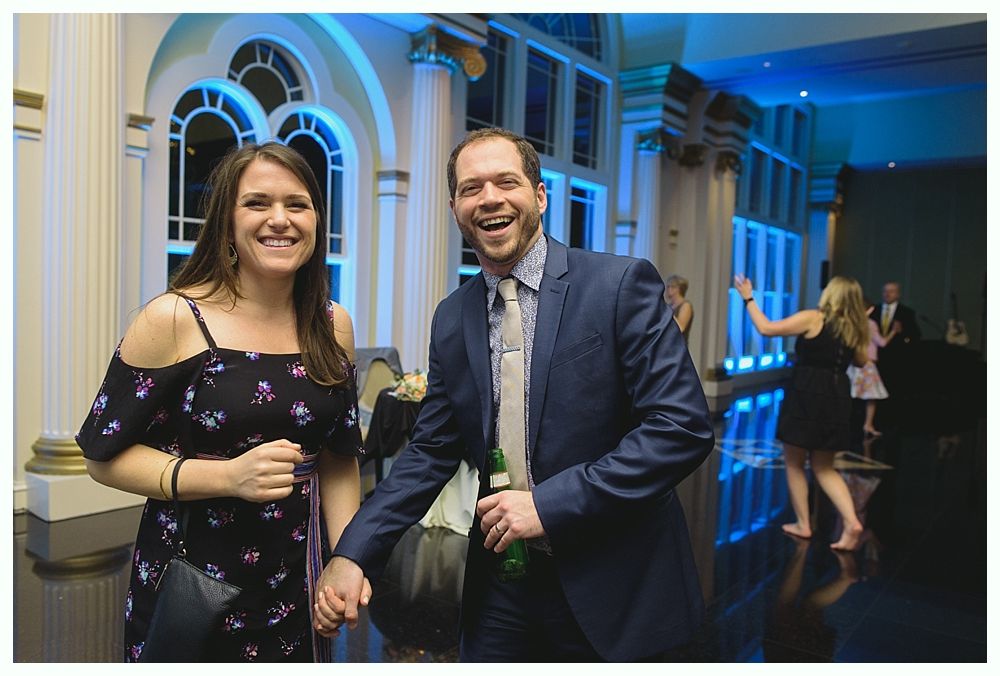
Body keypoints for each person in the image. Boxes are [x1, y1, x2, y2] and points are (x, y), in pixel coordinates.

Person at [313, 128, 716, 662]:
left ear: (539, 196)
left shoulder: (618, 286)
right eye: (471, 188)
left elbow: (681, 428)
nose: (490, 199)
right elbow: (430, 452)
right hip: (501, 585)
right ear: (455, 209)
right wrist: (354, 552)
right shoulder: (452, 317)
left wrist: (549, 504)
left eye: (507, 182)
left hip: (616, 581)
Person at [76, 142, 364, 662]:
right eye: (257, 203)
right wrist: (228, 477)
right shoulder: (174, 318)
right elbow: (103, 457)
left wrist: (346, 559)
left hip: (297, 578)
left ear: (317, 221)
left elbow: (340, 456)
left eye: (297, 204)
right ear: (227, 223)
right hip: (194, 582)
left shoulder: (332, 324)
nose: (280, 219)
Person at [733, 274, 867, 551]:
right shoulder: (855, 327)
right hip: (837, 395)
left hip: (807, 392)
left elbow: (766, 328)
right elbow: (861, 362)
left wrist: (748, 298)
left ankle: (804, 523)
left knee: (794, 461)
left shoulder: (814, 318)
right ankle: (852, 521)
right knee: (824, 467)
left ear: (831, 294)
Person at [847, 298, 898, 438]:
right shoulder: (870, 324)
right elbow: (882, 343)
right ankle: (868, 424)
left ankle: (846, 424)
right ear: (870, 310)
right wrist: (893, 331)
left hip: (852, 364)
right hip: (867, 364)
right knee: (871, 397)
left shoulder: (851, 324)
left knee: (850, 395)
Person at [871, 281, 920, 397]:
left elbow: (916, 334)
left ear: (898, 294)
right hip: (876, 357)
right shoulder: (874, 310)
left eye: (891, 291)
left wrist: (902, 331)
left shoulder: (906, 312)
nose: (887, 294)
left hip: (897, 358)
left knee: (894, 390)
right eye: (885, 291)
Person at [665, 273, 694, 343]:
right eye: (668, 287)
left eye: (672, 287)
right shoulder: (669, 306)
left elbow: (680, 328)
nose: (669, 289)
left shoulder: (686, 305)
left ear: (680, 289)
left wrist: (668, 312)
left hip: (678, 345)